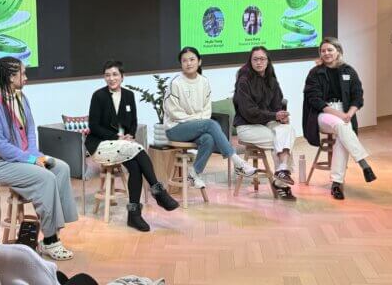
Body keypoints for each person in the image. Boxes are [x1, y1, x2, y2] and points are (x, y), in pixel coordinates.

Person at [0, 57, 78, 261]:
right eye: (22, 74)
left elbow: (31, 131)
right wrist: (31, 159)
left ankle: (55, 229)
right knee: (46, 178)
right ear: (10, 77)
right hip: (1, 164)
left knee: (61, 168)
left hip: (23, 158)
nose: (26, 78)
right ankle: (51, 240)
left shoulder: (21, 98)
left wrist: (35, 155)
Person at [86, 60, 179, 232]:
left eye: (115, 74)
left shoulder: (128, 95)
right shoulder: (98, 96)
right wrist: (118, 137)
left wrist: (130, 135)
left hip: (123, 145)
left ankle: (134, 215)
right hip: (101, 145)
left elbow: (133, 121)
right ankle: (158, 191)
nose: (111, 78)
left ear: (122, 76)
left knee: (136, 168)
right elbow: (94, 126)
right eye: (107, 75)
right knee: (138, 149)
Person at [164, 47, 257, 189]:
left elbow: (207, 110)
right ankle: (237, 162)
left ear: (199, 62)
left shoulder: (204, 82)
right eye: (184, 61)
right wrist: (197, 121)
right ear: (181, 64)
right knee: (210, 124)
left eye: (192, 59)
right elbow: (173, 112)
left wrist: (198, 122)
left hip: (196, 127)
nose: (188, 63)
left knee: (209, 139)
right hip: (176, 128)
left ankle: (194, 173)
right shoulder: (175, 83)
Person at [302, 37, 376, 200]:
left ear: (338, 52)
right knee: (341, 126)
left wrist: (350, 113)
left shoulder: (349, 71)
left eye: (330, 50)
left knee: (342, 137)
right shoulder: (315, 72)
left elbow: (358, 96)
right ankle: (363, 163)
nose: (326, 53)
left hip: (345, 112)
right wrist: (341, 116)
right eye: (323, 51)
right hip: (322, 114)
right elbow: (315, 100)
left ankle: (336, 183)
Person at [233, 46, 297, 200]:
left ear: (268, 61)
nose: (259, 62)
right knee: (280, 141)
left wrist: (281, 116)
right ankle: (281, 183)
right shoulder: (244, 81)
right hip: (247, 126)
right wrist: (274, 115)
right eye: (255, 59)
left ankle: (282, 170)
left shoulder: (272, 81)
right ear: (250, 61)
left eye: (262, 59)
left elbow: (276, 106)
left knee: (287, 129)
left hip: (265, 122)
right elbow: (250, 112)